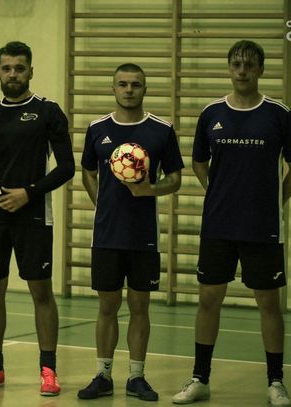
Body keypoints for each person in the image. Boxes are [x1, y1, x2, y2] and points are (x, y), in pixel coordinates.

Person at [172, 40, 291, 406]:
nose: (242, 70)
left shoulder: (279, 113)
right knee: (208, 299)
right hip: (219, 225)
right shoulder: (211, 112)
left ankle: (275, 381)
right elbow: (199, 162)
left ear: (260, 70)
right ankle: (200, 379)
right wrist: (217, 193)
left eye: (249, 64)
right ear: (229, 69)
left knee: (268, 302)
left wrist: (276, 200)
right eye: (236, 64)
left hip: (262, 226)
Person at [0, 41, 74, 396]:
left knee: (41, 291)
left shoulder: (48, 112)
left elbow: (67, 167)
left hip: (33, 215)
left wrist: (28, 192)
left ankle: (48, 370)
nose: (13, 74)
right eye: (7, 68)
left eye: (19, 68)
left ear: (30, 72)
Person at [78, 63, 184, 401]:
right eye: (122, 84)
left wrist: (150, 190)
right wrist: (102, 204)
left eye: (135, 84)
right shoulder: (97, 129)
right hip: (106, 235)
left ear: (144, 89)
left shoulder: (161, 130)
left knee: (140, 306)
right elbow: (87, 172)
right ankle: (103, 375)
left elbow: (175, 179)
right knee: (107, 307)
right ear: (113, 88)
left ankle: (136, 377)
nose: (128, 90)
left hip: (143, 235)